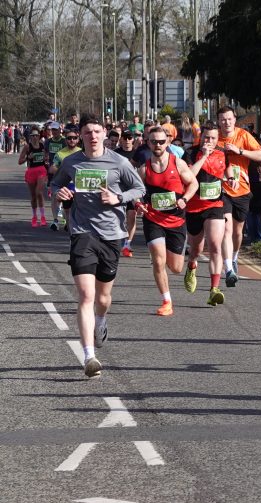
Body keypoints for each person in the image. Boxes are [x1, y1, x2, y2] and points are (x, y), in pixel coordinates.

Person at [51, 115, 146, 378]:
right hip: (82, 232)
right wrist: (59, 192)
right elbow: (56, 183)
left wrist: (118, 197)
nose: (92, 136)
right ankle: (89, 356)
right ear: (80, 136)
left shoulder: (119, 162)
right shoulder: (71, 162)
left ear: (104, 133)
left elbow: (139, 189)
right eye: (87, 132)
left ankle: (101, 320)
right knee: (85, 295)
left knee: (102, 299)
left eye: (96, 131)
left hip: (112, 234)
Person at [134, 126, 199, 317]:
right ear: (148, 143)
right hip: (153, 219)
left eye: (161, 141)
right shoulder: (144, 169)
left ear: (167, 142)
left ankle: (191, 265)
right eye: (154, 141)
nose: (158, 145)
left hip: (176, 220)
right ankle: (166, 301)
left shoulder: (177, 163)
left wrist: (184, 199)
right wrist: (138, 203)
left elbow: (193, 183)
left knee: (176, 268)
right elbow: (135, 191)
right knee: (158, 260)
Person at [216, 106, 261, 288]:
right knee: (227, 229)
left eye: (229, 119)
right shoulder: (214, 137)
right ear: (218, 121)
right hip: (221, 190)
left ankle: (234, 257)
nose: (226, 122)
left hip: (242, 189)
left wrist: (240, 151)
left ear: (234, 119)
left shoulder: (243, 135)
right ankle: (228, 269)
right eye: (223, 119)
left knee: (237, 233)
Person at [183, 123, 229, 306]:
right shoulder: (190, 153)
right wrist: (204, 156)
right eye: (206, 137)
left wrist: (231, 178)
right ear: (200, 137)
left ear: (218, 139)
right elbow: (188, 176)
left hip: (215, 204)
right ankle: (191, 266)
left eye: (213, 138)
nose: (209, 141)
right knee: (196, 249)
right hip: (194, 207)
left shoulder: (223, 153)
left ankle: (214, 290)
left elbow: (227, 169)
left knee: (215, 245)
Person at [48, 129, 83, 231]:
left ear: (78, 139)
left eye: (74, 138)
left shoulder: (82, 153)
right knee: (65, 206)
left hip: (79, 184)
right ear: (66, 140)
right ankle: (58, 221)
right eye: (69, 138)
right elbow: (52, 168)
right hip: (65, 184)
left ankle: (72, 224)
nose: (72, 140)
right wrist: (65, 171)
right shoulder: (60, 154)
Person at [18, 127, 49, 227]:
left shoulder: (42, 145)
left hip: (41, 170)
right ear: (30, 137)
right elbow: (20, 161)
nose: (35, 137)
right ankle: (34, 217)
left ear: (39, 136)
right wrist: (28, 157)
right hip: (31, 171)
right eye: (33, 135)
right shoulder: (27, 147)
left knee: (39, 192)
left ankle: (43, 217)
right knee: (33, 196)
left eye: (36, 135)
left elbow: (47, 157)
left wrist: (46, 158)